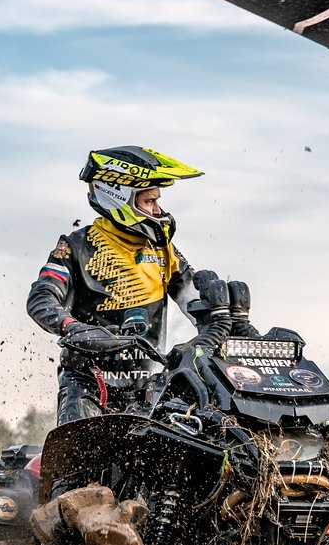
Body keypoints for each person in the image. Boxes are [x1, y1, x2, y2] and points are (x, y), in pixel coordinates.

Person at [27, 146, 234, 426]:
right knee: (80, 447)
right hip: (88, 383)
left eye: (157, 201)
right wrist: (72, 327)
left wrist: (223, 315)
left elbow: (196, 305)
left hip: (151, 387)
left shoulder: (162, 251)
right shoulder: (76, 246)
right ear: (118, 197)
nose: (158, 210)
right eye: (149, 201)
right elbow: (41, 298)